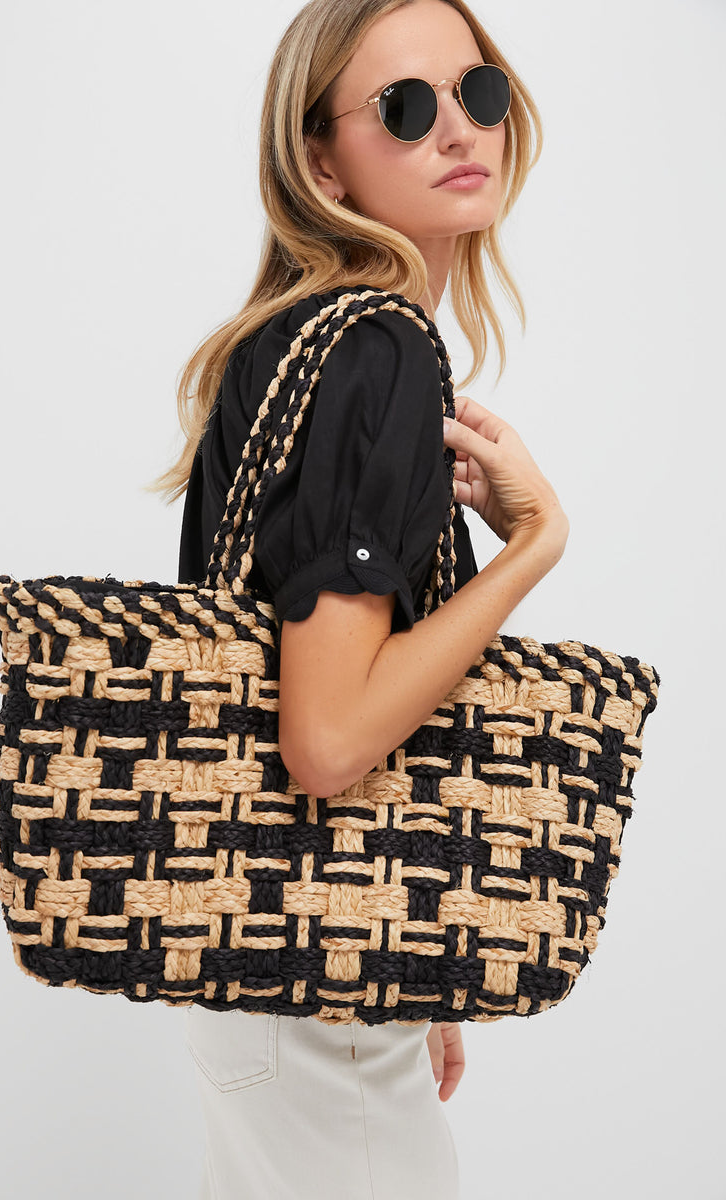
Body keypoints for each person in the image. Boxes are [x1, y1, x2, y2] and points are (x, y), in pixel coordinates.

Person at [149, 0, 569, 1195]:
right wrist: (531, 546)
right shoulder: (373, 350)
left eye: (475, 92)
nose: (457, 129)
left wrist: (413, 952)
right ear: (318, 160)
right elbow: (327, 741)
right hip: (313, 997)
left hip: (269, 969)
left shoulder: (290, 339)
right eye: (403, 106)